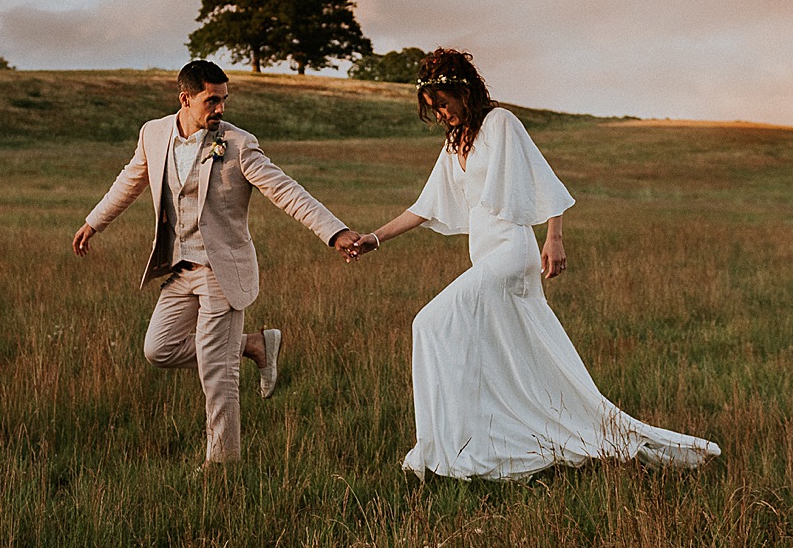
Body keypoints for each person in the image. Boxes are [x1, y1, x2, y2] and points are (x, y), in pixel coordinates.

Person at [354, 49, 721, 480]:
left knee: (430, 323)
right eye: (432, 109)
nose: (440, 115)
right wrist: (374, 238)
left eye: (443, 104)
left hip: (511, 253)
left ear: (462, 91)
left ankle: (446, 447)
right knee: (508, 359)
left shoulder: (501, 124)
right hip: (485, 254)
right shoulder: (455, 143)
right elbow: (425, 206)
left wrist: (554, 238)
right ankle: (484, 437)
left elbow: (546, 182)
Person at [73, 60, 363, 464]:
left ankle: (222, 463)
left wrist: (335, 232)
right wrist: (93, 222)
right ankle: (252, 345)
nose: (221, 108)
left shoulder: (239, 144)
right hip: (179, 270)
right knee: (159, 349)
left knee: (216, 373)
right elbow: (130, 179)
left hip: (221, 273)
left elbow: (287, 191)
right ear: (185, 99)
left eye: (225, 99)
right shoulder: (153, 135)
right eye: (212, 100)